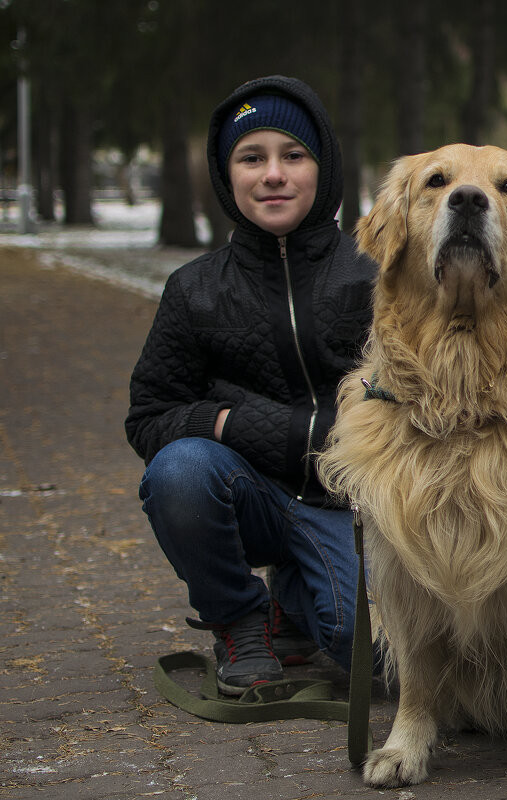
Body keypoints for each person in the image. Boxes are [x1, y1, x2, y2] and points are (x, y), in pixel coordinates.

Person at [126, 76, 377, 695]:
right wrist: (224, 424)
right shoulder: (195, 289)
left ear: (325, 168)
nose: (273, 175)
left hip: (359, 508)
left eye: (293, 156)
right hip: (256, 495)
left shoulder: (376, 273)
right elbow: (150, 416)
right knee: (179, 470)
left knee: (374, 660)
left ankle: (296, 600)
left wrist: (290, 429)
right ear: (225, 173)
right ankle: (240, 619)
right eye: (251, 157)